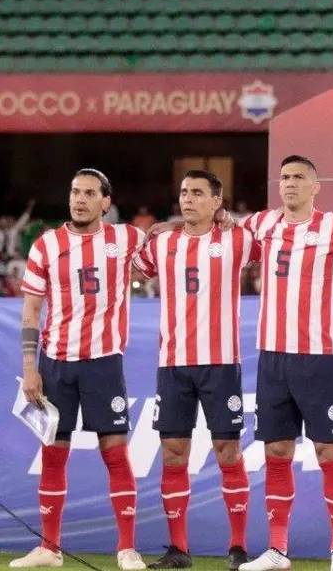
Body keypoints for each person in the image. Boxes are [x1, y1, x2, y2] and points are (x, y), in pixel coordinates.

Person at [236, 155, 333, 571]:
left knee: (328, 450)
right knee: (277, 450)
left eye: (299, 178)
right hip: (272, 357)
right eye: (285, 178)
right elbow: (217, 229)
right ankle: (277, 550)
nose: (290, 183)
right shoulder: (261, 223)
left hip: (317, 357)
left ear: (315, 186)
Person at [13, 169, 147, 570]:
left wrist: (219, 219)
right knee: (53, 455)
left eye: (89, 193)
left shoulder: (125, 238)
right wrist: (30, 366)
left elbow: (165, 235)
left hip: (104, 363)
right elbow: (31, 309)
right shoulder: (46, 245)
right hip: (56, 364)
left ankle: (127, 548)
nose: (80, 199)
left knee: (115, 453)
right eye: (75, 192)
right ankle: (49, 548)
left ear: (106, 202)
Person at [134, 170, 259, 570]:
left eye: (198, 193)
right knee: (173, 454)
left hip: (220, 363)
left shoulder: (236, 240)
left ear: (217, 202)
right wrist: (160, 228)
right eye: (184, 192)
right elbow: (131, 265)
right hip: (173, 364)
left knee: (228, 451)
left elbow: (277, 236)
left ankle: (238, 548)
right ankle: (179, 549)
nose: (187, 198)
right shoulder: (162, 243)